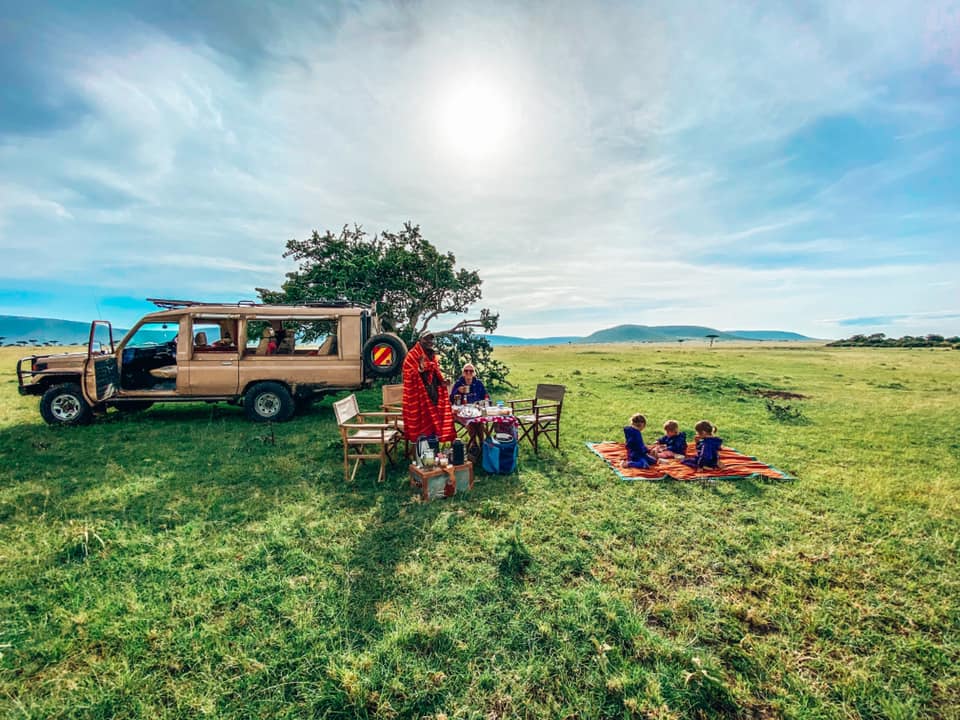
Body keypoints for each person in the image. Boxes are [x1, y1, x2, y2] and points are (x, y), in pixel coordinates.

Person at [402, 332, 456, 443]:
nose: (429, 342)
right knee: (421, 430)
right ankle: (420, 456)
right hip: (418, 398)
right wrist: (420, 370)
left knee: (432, 428)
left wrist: (443, 382)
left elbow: (435, 374)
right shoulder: (412, 355)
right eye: (426, 339)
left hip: (433, 396)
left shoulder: (432, 356)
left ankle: (433, 453)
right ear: (420, 340)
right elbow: (408, 373)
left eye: (431, 340)